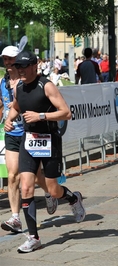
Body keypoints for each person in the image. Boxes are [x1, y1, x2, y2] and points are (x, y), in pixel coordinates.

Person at [5, 51, 86, 253]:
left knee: (53, 190)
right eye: (18, 67)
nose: (20, 70)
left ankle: (73, 198)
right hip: (29, 141)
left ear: (35, 66)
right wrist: (9, 119)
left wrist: (41, 116)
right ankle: (34, 237)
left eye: (24, 67)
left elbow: (66, 113)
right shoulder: (20, 87)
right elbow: (16, 107)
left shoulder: (46, 85)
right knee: (26, 188)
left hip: (49, 140)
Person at [0, 46, 58, 235]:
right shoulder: (4, 81)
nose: (8, 63)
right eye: (5, 59)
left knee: (38, 178)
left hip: (33, 134)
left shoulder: (31, 83)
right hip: (12, 134)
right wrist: (7, 118)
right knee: (13, 175)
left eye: (11, 59)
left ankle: (50, 193)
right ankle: (16, 218)